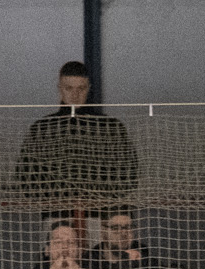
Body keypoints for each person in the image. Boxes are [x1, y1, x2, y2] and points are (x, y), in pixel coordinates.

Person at [16, 62, 140, 221]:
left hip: (103, 218)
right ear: (59, 88)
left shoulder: (110, 127)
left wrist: (100, 200)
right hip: (57, 219)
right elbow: (25, 175)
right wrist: (54, 201)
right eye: (69, 88)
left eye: (80, 89)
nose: (75, 95)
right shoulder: (43, 128)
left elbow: (129, 173)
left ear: (88, 88)